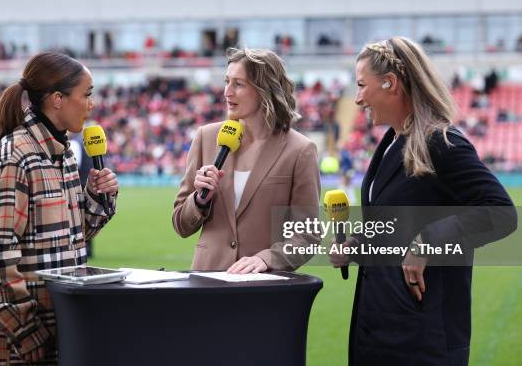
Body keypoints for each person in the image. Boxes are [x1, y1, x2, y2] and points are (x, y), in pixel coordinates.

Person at [329, 37, 516, 365]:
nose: (357, 98)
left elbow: (500, 212)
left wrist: (427, 242)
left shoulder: (442, 143)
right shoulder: (390, 141)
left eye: (361, 85)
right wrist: (355, 246)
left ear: (391, 83)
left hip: (422, 340)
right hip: (379, 332)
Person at [0, 52, 118, 365]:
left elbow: (71, 237)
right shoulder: (16, 157)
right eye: (86, 95)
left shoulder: (61, 153)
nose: (92, 104)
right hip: (17, 348)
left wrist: (95, 196)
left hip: (57, 334)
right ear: (57, 100)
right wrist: (29, 336)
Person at [172, 47, 321, 273]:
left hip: (263, 288)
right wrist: (199, 200)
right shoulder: (206, 137)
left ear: (265, 90)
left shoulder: (300, 150)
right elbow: (180, 224)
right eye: (227, 81)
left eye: (238, 84)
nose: (226, 92)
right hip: (206, 281)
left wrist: (267, 259)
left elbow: (308, 236)